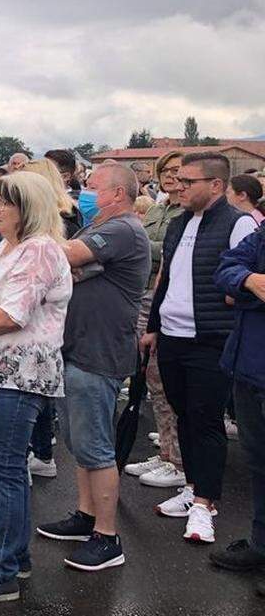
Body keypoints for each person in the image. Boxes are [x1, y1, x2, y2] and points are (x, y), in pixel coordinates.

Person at [0, 171, 73, 604]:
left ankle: (1, 571)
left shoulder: (40, 249)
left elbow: (12, 314)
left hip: (20, 373)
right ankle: (12, 554)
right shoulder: (10, 246)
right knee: (9, 470)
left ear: (29, 207)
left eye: (4, 202)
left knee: (4, 471)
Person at [35, 163, 150, 572]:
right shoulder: (103, 226)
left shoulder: (123, 229)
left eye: (93, 186)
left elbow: (66, 258)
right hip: (78, 349)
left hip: (97, 354)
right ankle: (86, 516)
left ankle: (106, 535)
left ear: (117, 193)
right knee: (81, 442)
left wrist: (38, 227)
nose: (85, 191)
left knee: (97, 448)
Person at [143, 151, 257, 544]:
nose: (177, 185)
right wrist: (154, 325)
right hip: (172, 335)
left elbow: (241, 280)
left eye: (187, 181)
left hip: (211, 338)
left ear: (215, 185)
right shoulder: (177, 224)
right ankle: (193, 487)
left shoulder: (238, 223)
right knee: (184, 416)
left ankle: (207, 504)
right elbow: (165, 277)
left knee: (207, 420)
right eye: (176, 179)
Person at [124, 151, 187, 488]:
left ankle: (176, 459)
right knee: (151, 378)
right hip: (145, 294)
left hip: (167, 300)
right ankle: (166, 450)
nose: (171, 177)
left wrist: (137, 241)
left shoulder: (187, 214)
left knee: (165, 379)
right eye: (166, 171)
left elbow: (165, 250)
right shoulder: (159, 207)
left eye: (178, 171)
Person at [210, 224, 265, 599]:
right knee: (259, 464)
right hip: (250, 368)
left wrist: (243, 291)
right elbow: (226, 269)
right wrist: (249, 282)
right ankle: (261, 543)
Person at [21, 158, 82, 473]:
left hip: (44, 314)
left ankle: (39, 452)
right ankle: (41, 451)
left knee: (34, 382)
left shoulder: (62, 217)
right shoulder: (60, 214)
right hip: (42, 313)